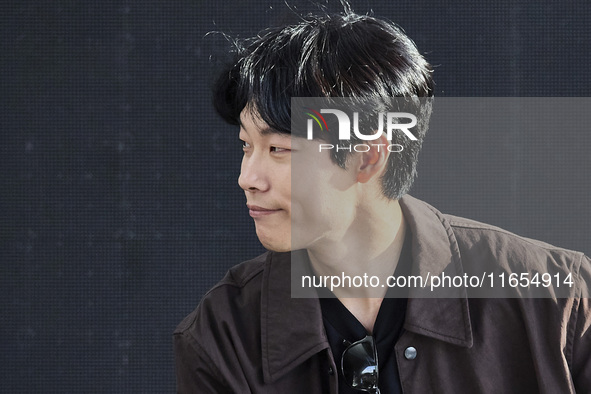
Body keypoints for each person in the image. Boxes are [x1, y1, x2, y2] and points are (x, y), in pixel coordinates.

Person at [174, 8, 591, 394]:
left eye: (279, 150)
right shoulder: (224, 333)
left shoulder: (559, 299)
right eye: (246, 146)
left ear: (368, 156)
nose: (248, 178)